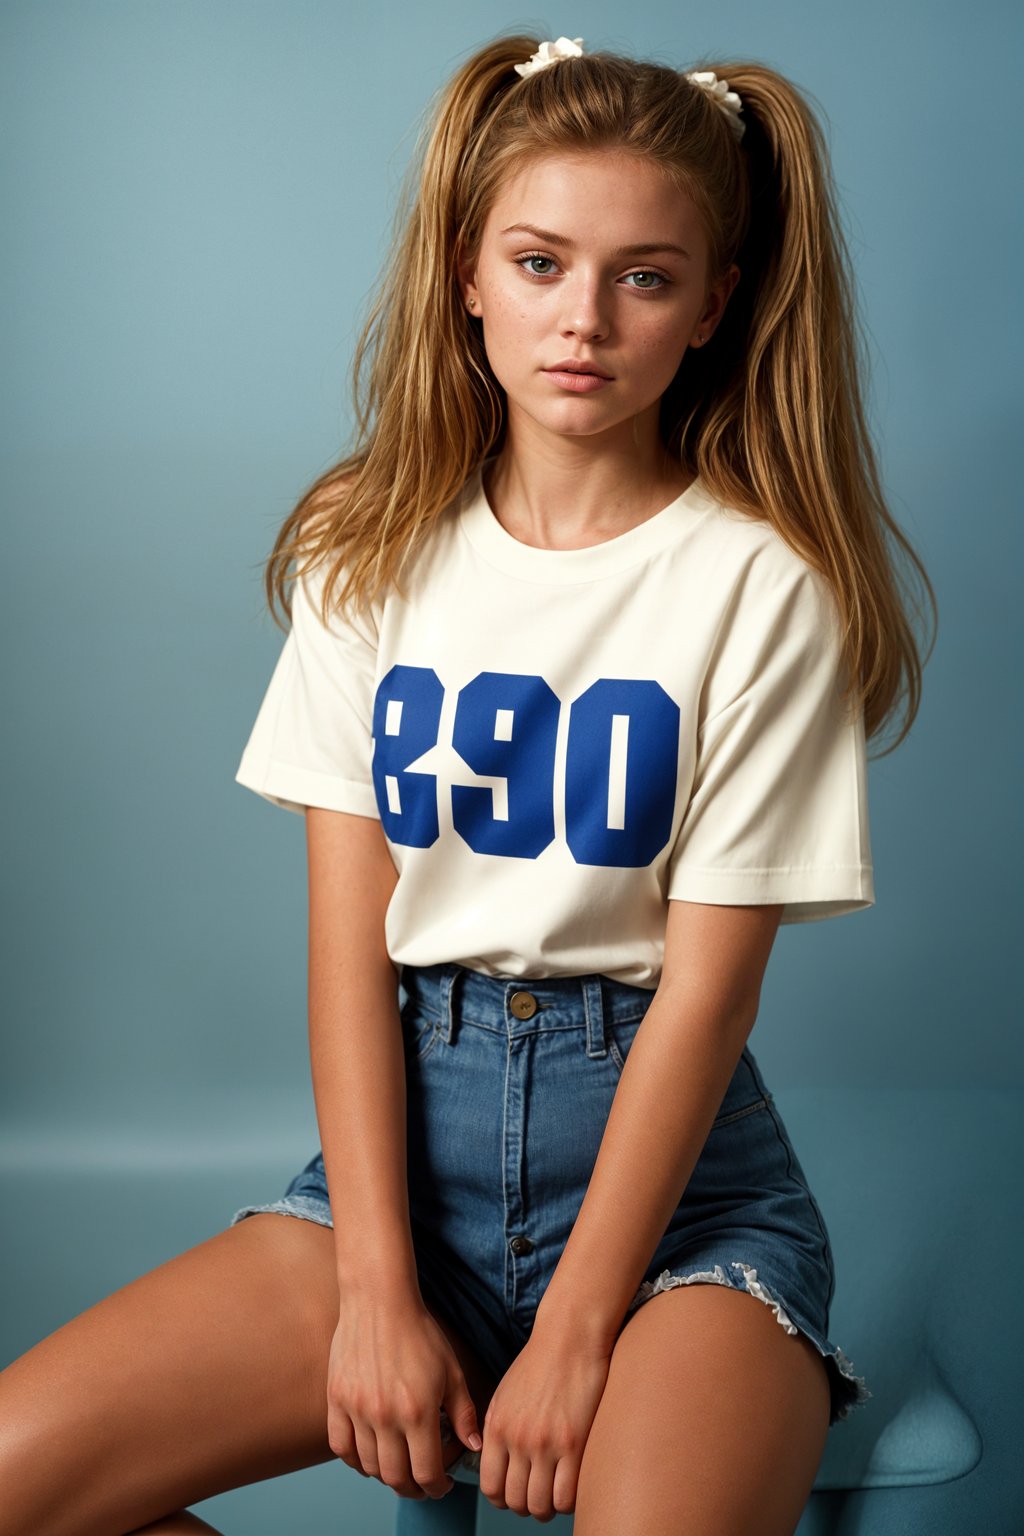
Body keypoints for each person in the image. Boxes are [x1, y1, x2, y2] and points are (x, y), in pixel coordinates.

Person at [0, 32, 935, 1536]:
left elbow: (706, 997)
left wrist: (575, 1334)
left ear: (712, 306)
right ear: (467, 275)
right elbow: (346, 944)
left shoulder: (761, 590)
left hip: (679, 1214)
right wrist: (376, 1288)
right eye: (542, 261)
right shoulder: (359, 548)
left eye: (643, 275)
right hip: (393, 1186)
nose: (584, 319)